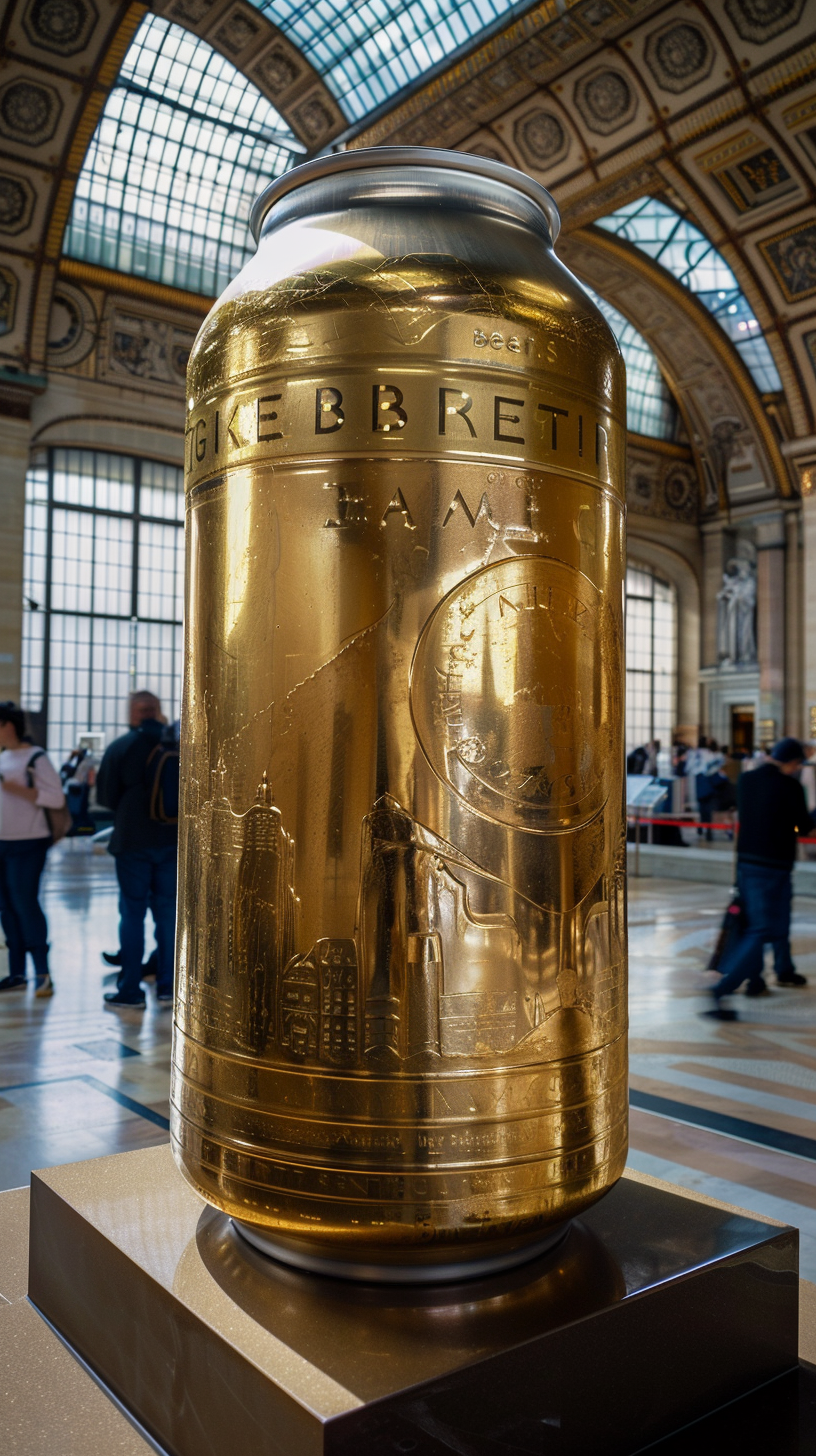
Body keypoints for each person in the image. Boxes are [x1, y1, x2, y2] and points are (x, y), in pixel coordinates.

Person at [710, 737, 814, 1019]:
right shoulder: (791, 786)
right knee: (764, 928)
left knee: (754, 922)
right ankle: (723, 988)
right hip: (774, 867)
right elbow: (804, 827)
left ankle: (762, 977)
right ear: (793, 763)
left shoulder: (747, 780)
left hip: (745, 864)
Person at [96, 691, 177, 1010]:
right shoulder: (179, 746)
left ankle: (130, 988)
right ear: (158, 712)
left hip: (132, 842)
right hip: (171, 840)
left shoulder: (122, 746)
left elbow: (105, 796)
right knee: (168, 913)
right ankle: (168, 985)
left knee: (132, 912)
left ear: (133, 713)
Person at [0, 702, 65, 997]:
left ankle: (42, 973)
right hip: (3, 842)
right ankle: (16, 973)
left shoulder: (36, 757)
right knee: (7, 907)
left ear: (8, 725)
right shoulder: (4, 757)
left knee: (25, 904)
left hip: (28, 843)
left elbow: (56, 798)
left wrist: (19, 791)